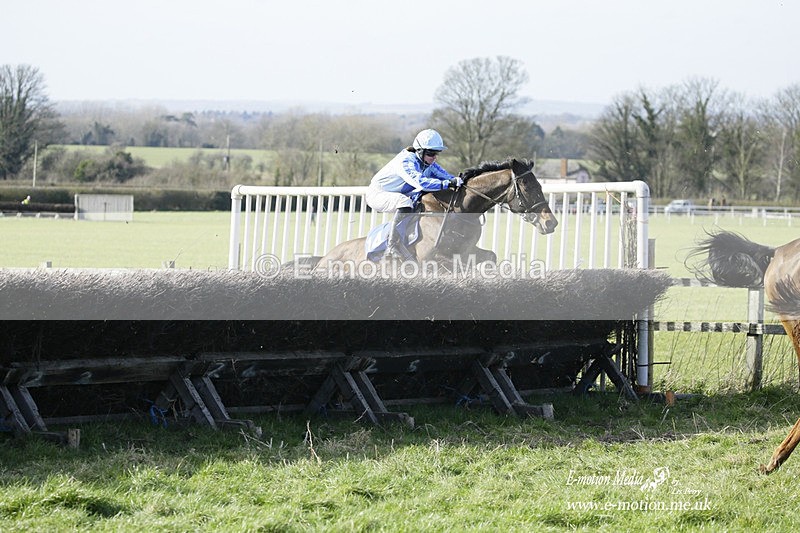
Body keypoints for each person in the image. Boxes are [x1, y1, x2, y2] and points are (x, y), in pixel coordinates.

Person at [366, 129, 462, 260]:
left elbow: (446, 176)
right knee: (404, 202)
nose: (434, 157)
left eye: (436, 153)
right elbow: (421, 183)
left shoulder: (427, 162)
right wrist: (447, 183)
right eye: (431, 154)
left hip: (399, 193)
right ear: (420, 151)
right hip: (378, 194)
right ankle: (391, 247)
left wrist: (458, 181)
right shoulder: (405, 161)